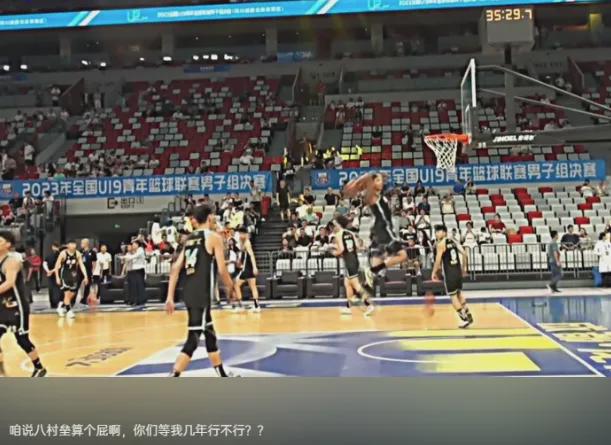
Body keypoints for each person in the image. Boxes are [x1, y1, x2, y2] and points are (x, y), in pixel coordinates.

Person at [165, 204, 237, 377]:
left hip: (189, 291)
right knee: (193, 338)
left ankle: (222, 374)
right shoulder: (213, 238)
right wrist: (231, 288)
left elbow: (175, 268)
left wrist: (169, 297)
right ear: (210, 217)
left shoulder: (189, 239)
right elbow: (222, 269)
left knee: (210, 334)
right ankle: (173, 376)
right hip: (201, 294)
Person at [342, 172, 408, 287]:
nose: (381, 182)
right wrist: (358, 182)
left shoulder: (380, 195)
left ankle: (366, 278)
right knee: (402, 255)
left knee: (376, 266)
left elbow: (382, 179)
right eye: (378, 181)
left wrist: (380, 176)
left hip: (380, 232)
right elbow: (367, 178)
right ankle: (370, 272)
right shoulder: (372, 195)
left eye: (381, 180)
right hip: (384, 230)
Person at [0, 231, 47, 377]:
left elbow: (9, 283)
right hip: (2, 305)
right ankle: (1, 371)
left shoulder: (12, 261)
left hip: (17, 306)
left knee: (22, 339)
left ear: (8, 244)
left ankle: (39, 367)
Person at [432, 224, 473, 328]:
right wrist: (464, 269)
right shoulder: (454, 241)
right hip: (458, 271)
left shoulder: (441, 244)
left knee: (453, 297)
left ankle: (464, 319)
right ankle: (468, 314)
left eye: (438, 231)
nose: (436, 234)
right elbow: (465, 254)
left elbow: (438, 261)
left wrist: (434, 273)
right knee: (459, 294)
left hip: (450, 273)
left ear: (444, 232)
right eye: (436, 232)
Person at [332, 216, 374, 316]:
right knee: (347, 284)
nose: (334, 226)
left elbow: (342, 249)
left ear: (339, 224)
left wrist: (334, 252)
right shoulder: (351, 233)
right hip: (354, 259)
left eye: (335, 224)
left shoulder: (339, 234)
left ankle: (369, 305)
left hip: (349, 261)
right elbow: (357, 246)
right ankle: (348, 307)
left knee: (356, 286)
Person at [55, 241, 89, 319]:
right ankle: (69, 311)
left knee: (72, 293)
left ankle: (61, 306)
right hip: (64, 275)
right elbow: (56, 266)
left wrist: (85, 276)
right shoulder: (63, 253)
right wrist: (57, 277)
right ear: (68, 245)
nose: (73, 245)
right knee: (67, 294)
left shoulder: (77, 254)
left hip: (73, 275)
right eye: (71, 244)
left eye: (74, 244)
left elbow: (82, 265)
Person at [234, 227, 261, 313]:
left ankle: (240, 305)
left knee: (236, 285)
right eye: (239, 234)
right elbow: (243, 254)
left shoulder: (247, 243)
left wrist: (255, 267)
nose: (240, 235)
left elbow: (252, 255)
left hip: (247, 268)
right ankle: (257, 306)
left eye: (241, 234)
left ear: (245, 234)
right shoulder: (243, 242)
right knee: (253, 286)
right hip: (248, 267)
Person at [123, 240, 147, 306]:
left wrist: (124, 257)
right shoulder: (134, 251)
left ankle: (140, 300)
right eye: (132, 245)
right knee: (135, 286)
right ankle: (135, 300)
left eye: (134, 245)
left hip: (139, 270)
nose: (133, 246)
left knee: (139, 285)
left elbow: (134, 257)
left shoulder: (140, 250)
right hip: (134, 270)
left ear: (137, 245)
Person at [43, 242, 62, 308]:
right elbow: (45, 263)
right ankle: (54, 303)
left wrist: (49, 271)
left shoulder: (59, 255)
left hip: (56, 275)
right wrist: (48, 271)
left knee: (55, 289)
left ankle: (55, 303)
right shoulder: (51, 256)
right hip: (54, 275)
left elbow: (59, 265)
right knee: (53, 289)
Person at [79, 239, 97, 304]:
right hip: (80, 271)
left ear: (86, 243)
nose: (81, 244)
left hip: (88, 271)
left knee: (87, 285)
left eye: (82, 243)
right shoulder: (80, 251)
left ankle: (84, 299)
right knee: (77, 284)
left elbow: (94, 263)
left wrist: (93, 271)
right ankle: (73, 299)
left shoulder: (92, 252)